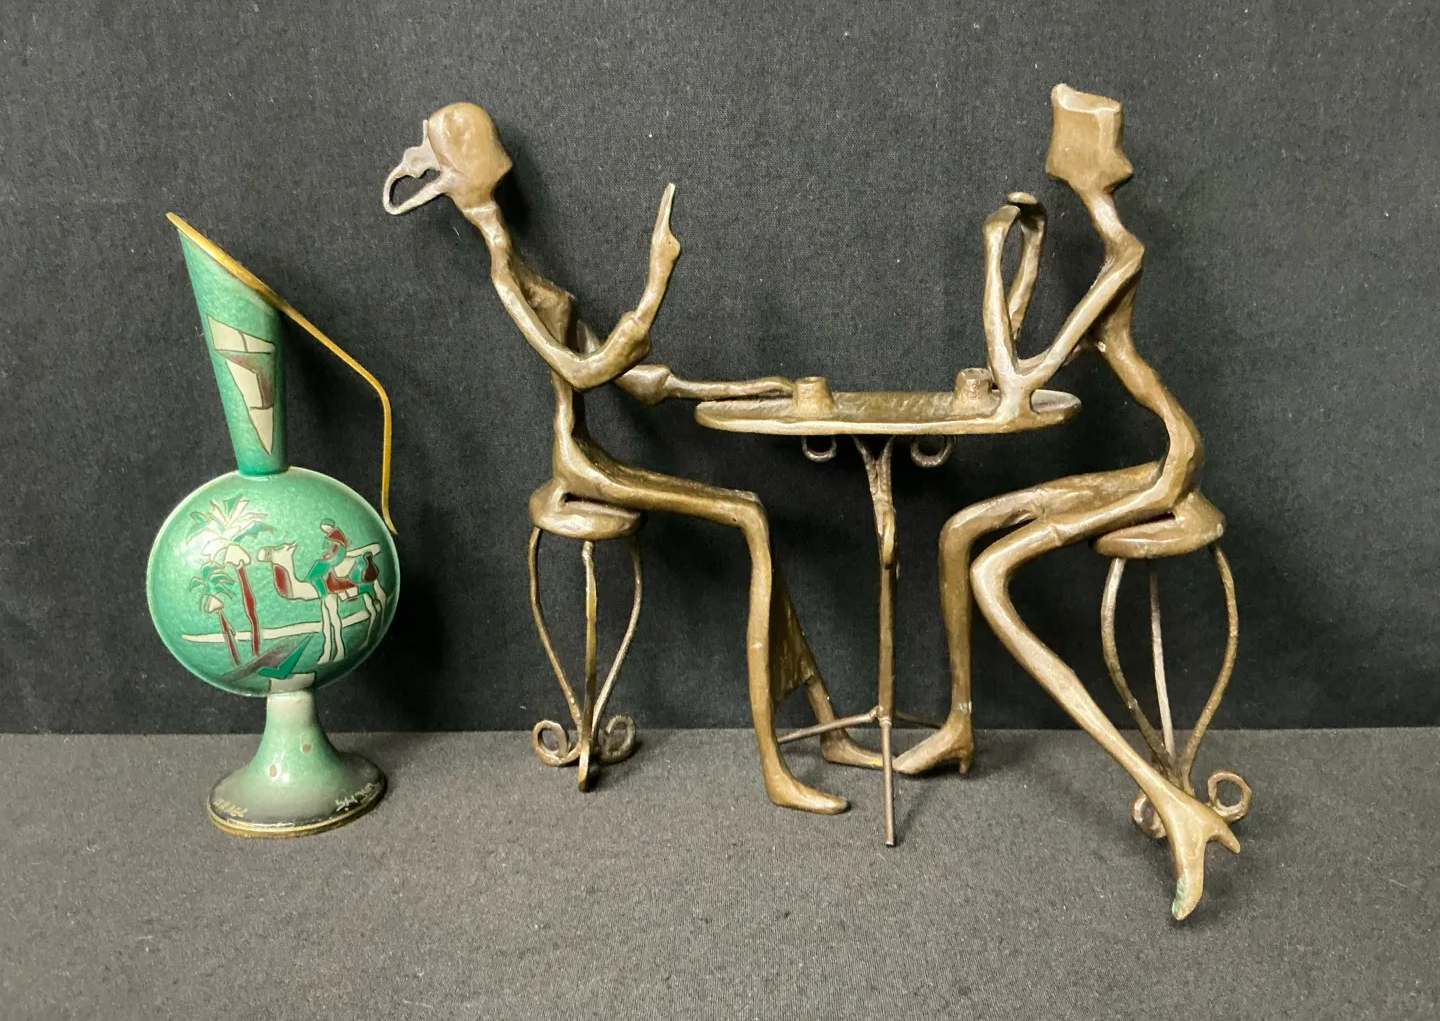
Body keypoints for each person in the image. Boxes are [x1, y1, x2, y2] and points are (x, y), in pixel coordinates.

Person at [383, 103, 871, 813]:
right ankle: (777, 766)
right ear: (453, 176)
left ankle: (828, 733)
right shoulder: (502, 274)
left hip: (594, 449)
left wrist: (751, 387)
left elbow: (638, 381)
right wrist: (655, 282)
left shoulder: (523, 265)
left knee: (752, 512)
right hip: (576, 462)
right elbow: (583, 372)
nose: (492, 158)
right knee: (750, 516)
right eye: (473, 147)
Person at [905, 85, 1239, 918]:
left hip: (1171, 464)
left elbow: (1018, 374)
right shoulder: (1106, 249)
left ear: (1087, 157)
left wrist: (994, 253)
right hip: (1159, 455)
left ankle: (1166, 798)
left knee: (990, 576)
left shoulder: (1122, 255)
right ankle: (959, 724)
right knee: (959, 530)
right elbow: (1023, 367)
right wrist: (1025, 259)